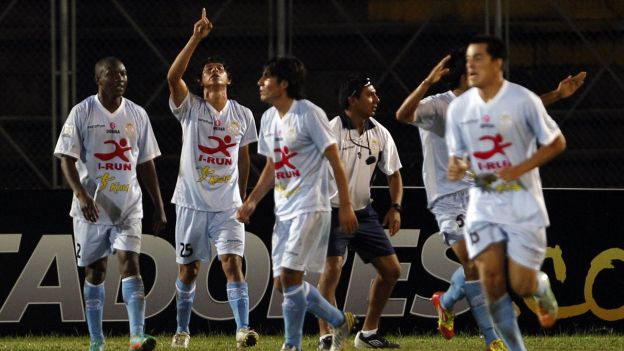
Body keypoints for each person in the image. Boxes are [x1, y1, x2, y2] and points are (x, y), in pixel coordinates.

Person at [396, 48, 585, 351]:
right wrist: (427, 83)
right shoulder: (437, 105)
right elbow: (402, 115)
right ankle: (491, 339)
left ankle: (444, 303)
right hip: (446, 198)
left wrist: (558, 95)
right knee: (474, 264)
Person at [445, 35, 567, 351]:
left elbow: (557, 143)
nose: (470, 64)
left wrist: (519, 168)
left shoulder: (523, 100)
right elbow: (459, 155)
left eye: (478, 58)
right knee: (492, 284)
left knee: (522, 284)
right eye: (469, 59)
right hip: (483, 206)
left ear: (498, 63)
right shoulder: (459, 109)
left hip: (523, 205)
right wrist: (457, 166)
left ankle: (540, 286)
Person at [236, 56, 358, 351]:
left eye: (266, 78)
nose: (260, 83)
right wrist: (251, 201)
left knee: (291, 277)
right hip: (285, 210)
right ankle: (338, 320)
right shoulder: (268, 119)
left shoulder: (308, 114)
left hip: (310, 207)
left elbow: (335, 160)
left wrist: (344, 204)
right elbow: (272, 167)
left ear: (284, 84)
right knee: (283, 284)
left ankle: (292, 345)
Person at [54, 56, 167, 351]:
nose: (120, 79)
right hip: (91, 208)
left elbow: (146, 163)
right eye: (113, 74)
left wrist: (159, 204)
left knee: (130, 263)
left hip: (127, 206)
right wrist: (81, 195)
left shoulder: (138, 114)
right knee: (96, 272)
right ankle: (96, 341)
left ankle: (136, 337)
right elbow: (66, 158)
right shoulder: (82, 112)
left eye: (124, 74)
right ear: (99, 79)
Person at [166, 8, 259, 349]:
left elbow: (245, 156)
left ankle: (243, 329)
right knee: (188, 272)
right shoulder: (189, 107)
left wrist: (245, 198)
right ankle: (182, 330)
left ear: (228, 81)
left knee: (232, 263)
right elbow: (172, 77)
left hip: (228, 207)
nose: (215, 71)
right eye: (208, 70)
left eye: (219, 69)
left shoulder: (243, 114)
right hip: (191, 204)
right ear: (202, 82)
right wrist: (195, 38)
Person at [316, 75, 403, 350]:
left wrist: (395, 207)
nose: (376, 100)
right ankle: (326, 336)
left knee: (391, 271)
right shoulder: (331, 131)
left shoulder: (380, 133)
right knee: (332, 270)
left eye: (375, 95)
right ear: (352, 99)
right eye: (370, 95)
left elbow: (394, 174)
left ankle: (367, 334)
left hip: (364, 213)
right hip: (331, 212)